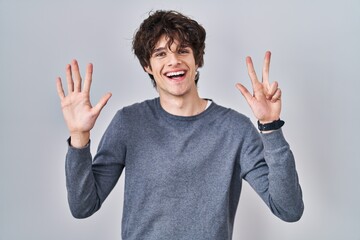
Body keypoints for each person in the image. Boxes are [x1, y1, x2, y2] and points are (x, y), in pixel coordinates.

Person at [56, 10, 303, 240]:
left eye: (183, 50)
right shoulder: (129, 123)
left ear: (197, 61)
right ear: (147, 66)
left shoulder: (235, 129)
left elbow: (288, 209)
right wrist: (79, 136)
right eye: (160, 53)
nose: (174, 61)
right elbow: (83, 206)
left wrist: (271, 127)